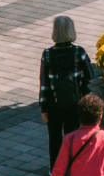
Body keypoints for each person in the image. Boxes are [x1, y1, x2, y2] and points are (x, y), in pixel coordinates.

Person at [39, 15, 95, 168]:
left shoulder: (47, 54)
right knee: (73, 136)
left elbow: (44, 84)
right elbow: (90, 75)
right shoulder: (79, 52)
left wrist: (43, 107)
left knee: (55, 138)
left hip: (53, 104)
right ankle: (72, 167)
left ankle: (55, 169)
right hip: (74, 102)